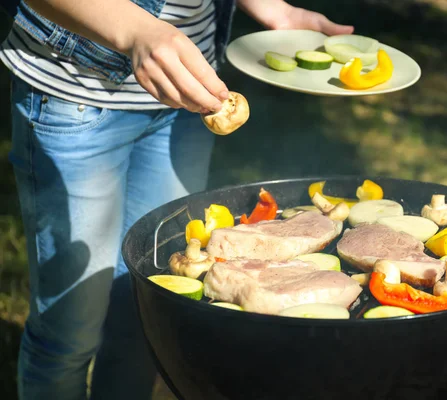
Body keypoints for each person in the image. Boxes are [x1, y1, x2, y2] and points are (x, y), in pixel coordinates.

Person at [0, 0, 353, 399]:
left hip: (188, 97)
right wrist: (135, 31)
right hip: (76, 93)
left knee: (147, 312)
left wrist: (273, 9)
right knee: (69, 336)